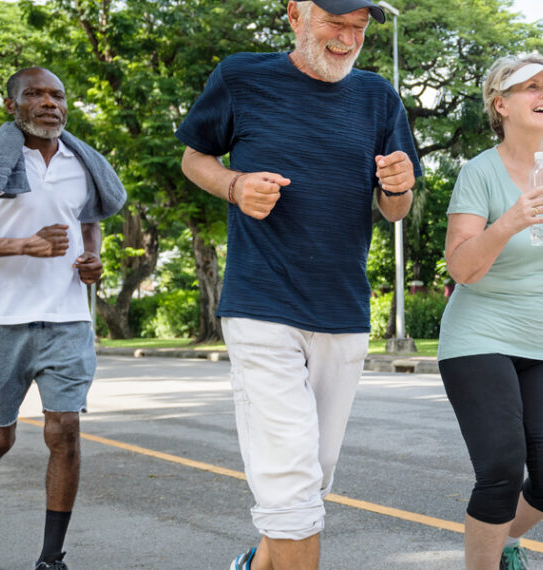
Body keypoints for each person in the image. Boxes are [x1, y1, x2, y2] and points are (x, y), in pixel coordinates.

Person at [174, 1, 420, 568]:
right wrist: (235, 186)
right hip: (262, 304)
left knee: (312, 478)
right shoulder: (241, 76)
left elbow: (394, 208)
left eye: (358, 27)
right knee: (290, 484)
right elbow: (194, 157)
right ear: (295, 14)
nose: (346, 38)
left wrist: (399, 185)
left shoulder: (379, 97)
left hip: (343, 311)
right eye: (334, 22)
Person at [0, 67, 125, 570]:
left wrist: (92, 260)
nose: (48, 103)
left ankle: (51, 558)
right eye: (34, 94)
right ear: (11, 106)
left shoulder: (83, 164)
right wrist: (21, 244)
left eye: (57, 94)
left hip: (66, 319)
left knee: (65, 431)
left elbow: (87, 222)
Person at [437, 54, 543, 570]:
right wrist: (506, 222)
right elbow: (461, 267)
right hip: (477, 336)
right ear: (501, 104)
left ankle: (501, 540)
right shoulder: (478, 173)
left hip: (542, 339)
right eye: (530, 87)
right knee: (502, 467)